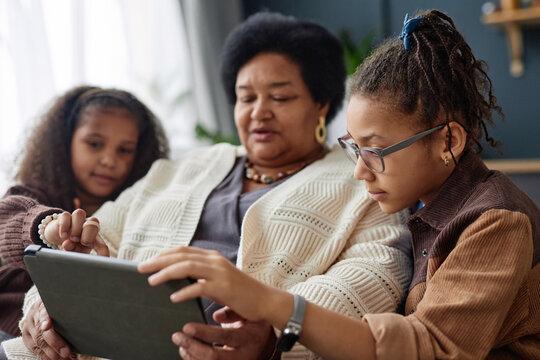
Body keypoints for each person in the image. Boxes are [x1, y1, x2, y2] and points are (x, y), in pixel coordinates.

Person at [1, 12, 413, 360]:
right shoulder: (184, 167)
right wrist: (45, 306)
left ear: (321, 104)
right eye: (245, 97)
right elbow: (94, 237)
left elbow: (374, 274)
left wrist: (273, 336)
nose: (259, 113)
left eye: (281, 98)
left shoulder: (361, 178)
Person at [136, 9, 540, 360]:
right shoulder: (422, 205)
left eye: (376, 151)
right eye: (353, 148)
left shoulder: (497, 221)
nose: (360, 171)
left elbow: (429, 348)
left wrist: (267, 301)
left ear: (448, 141)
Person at [0, 86, 169, 341]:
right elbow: (8, 218)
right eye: (94, 144)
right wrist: (50, 228)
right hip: (12, 328)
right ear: (64, 142)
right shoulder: (37, 193)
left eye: (124, 150)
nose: (109, 160)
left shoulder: (137, 207)